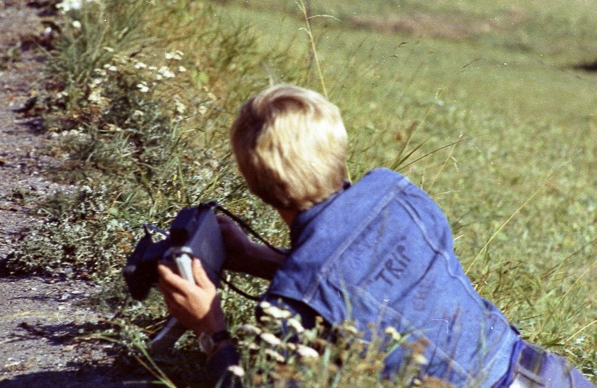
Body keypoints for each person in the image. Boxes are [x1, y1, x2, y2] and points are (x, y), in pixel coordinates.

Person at [157, 84, 594, 387]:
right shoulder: (397, 192)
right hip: (548, 374)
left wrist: (210, 327)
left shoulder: (291, 302)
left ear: (256, 188)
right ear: (338, 150)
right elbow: (376, 288)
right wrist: (254, 257)